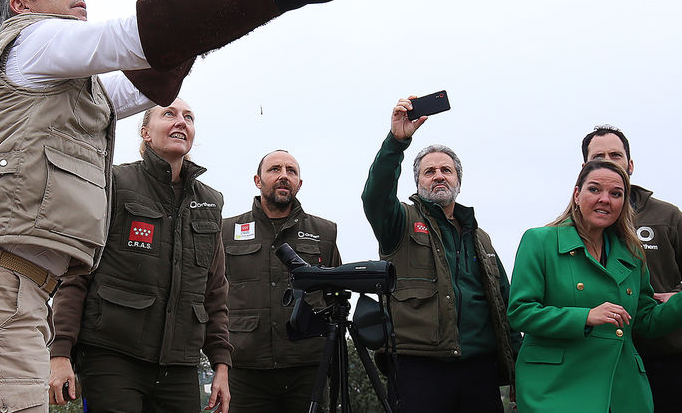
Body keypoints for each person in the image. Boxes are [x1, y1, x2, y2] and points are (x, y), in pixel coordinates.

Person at [0, 0, 373, 411]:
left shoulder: (78, 87)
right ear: (21, 5)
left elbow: (153, 80)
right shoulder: (31, 41)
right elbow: (138, 38)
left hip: (19, 291)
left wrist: (201, 4)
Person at [49, 98, 232, 412]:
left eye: (189, 117)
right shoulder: (114, 184)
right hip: (112, 357)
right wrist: (60, 351)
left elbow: (214, 293)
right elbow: (76, 273)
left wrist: (222, 364)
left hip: (179, 365)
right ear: (145, 133)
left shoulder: (210, 203)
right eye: (169, 114)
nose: (181, 121)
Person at [507, 160, 682, 413]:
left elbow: (646, 321)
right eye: (594, 190)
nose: (605, 199)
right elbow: (520, 312)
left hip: (622, 389)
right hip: (556, 389)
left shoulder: (633, 254)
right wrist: (586, 316)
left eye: (616, 194)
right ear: (577, 194)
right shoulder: (539, 241)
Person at [361, 96, 520, 413]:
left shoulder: (481, 239)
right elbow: (375, 195)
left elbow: (505, 305)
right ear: (417, 181)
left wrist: (520, 367)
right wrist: (396, 143)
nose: (438, 175)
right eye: (429, 171)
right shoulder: (400, 223)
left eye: (446, 170)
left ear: (458, 181)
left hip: (480, 370)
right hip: (418, 368)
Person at [581, 126, 682, 412]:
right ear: (584, 168)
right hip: (605, 360)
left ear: (630, 164)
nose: (609, 160)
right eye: (599, 156)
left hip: (674, 355)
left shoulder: (667, 216)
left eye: (616, 155)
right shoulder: (572, 229)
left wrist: (678, 296)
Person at [221, 150, 342, 413]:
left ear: (300, 183)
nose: (284, 176)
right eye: (275, 169)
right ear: (257, 180)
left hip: (307, 368)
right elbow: (212, 294)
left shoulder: (324, 232)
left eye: (291, 171)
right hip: (244, 367)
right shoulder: (226, 231)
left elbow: (335, 297)